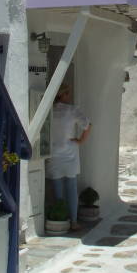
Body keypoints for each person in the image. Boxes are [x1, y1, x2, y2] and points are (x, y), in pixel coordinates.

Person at [45, 86, 91, 231]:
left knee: (58, 188)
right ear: (63, 95)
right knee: (71, 186)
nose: (69, 96)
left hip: (53, 151)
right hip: (69, 151)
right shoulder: (72, 110)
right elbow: (88, 125)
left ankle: (61, 219)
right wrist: (81, 141)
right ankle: (73, 221)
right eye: (68, 93)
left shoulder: (49, 110)